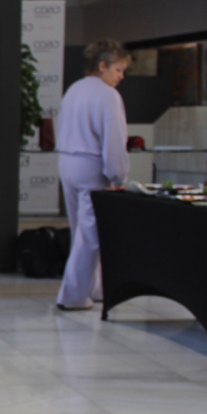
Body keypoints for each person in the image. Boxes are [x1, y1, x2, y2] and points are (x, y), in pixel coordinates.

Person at [55, 40, 131, 311]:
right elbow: (114, 141)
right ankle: (73, 295)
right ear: (102, 66)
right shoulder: (108, 95)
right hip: (91, 167)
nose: (121, 76)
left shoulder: (74, 89)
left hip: (67, 162)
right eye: (119, 69)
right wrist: (118, 177)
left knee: (81, 231)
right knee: (91, 235)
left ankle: (94, 287)